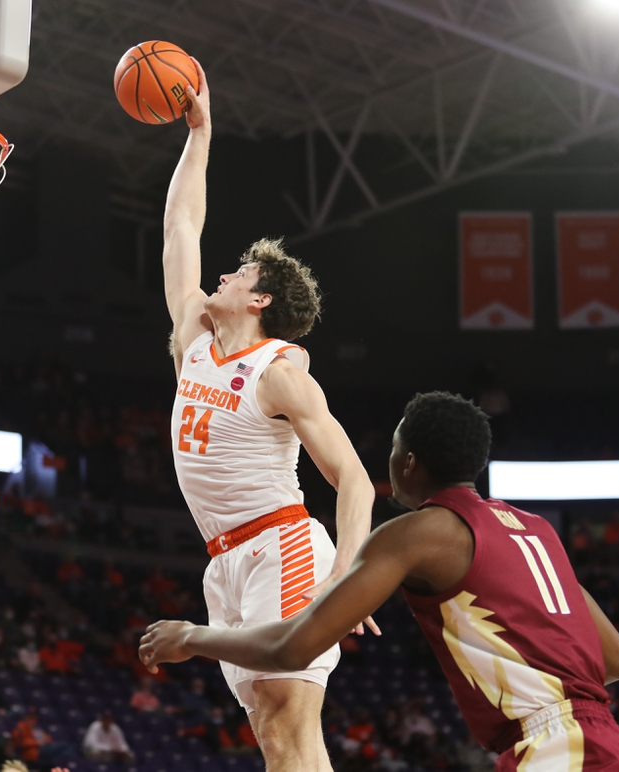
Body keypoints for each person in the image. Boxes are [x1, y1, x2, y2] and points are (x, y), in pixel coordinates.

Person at [141, 391, 619, 771]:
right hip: (610, 742)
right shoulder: (537, 531)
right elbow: (618, 660)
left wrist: (190, 638)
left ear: (407, 462)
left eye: (394, 446)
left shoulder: (417, 532)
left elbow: (294, 648)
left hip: (558, 750)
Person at [157, 58, 378, 772]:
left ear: (259, 302)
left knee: (288, 723)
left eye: (240, 275)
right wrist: (202, 133)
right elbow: (181, 226)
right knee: (272, 735)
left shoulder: (280, 374)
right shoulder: (193, 337)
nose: (221, 275)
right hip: (223, 563)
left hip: (281, 548)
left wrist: (346, 576)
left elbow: (355, 481)